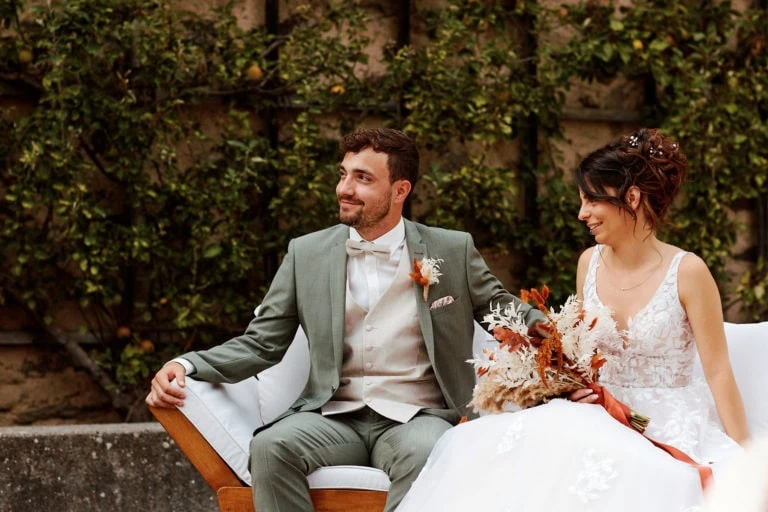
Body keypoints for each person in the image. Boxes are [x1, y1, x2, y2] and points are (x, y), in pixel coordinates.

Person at [145, 128, 545, 512]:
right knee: (271, 447)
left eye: (362, 178)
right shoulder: (306, 253)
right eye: (343, 174)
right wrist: (187, 363)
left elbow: (501, 310)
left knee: (431, 451)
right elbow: (262, 342)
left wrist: (554, 336)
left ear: (400, 190)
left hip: (419, 417)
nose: (344, 189)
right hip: (333, 417)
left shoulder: (451, 249)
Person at [395, 128, 749, 512]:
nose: (582, 214)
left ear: (631, 197)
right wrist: (570, 387)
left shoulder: (689, 271)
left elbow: (717, 371)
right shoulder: (589, 262)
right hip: (596, 412)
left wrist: (748, 456)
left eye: (591, 200)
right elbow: (582, 354)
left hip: (667, 419)